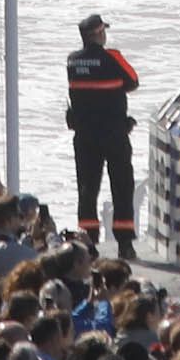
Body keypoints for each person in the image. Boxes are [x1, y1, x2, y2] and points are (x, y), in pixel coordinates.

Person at [61, 18, 139, 255]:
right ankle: (125, 244)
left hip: (85, 136)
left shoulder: (73, 60)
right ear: (98, 34)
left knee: (87, 189)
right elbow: (133, 81)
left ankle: (88, 243)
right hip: (114, 134)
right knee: (122, 187)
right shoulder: (112, 57)